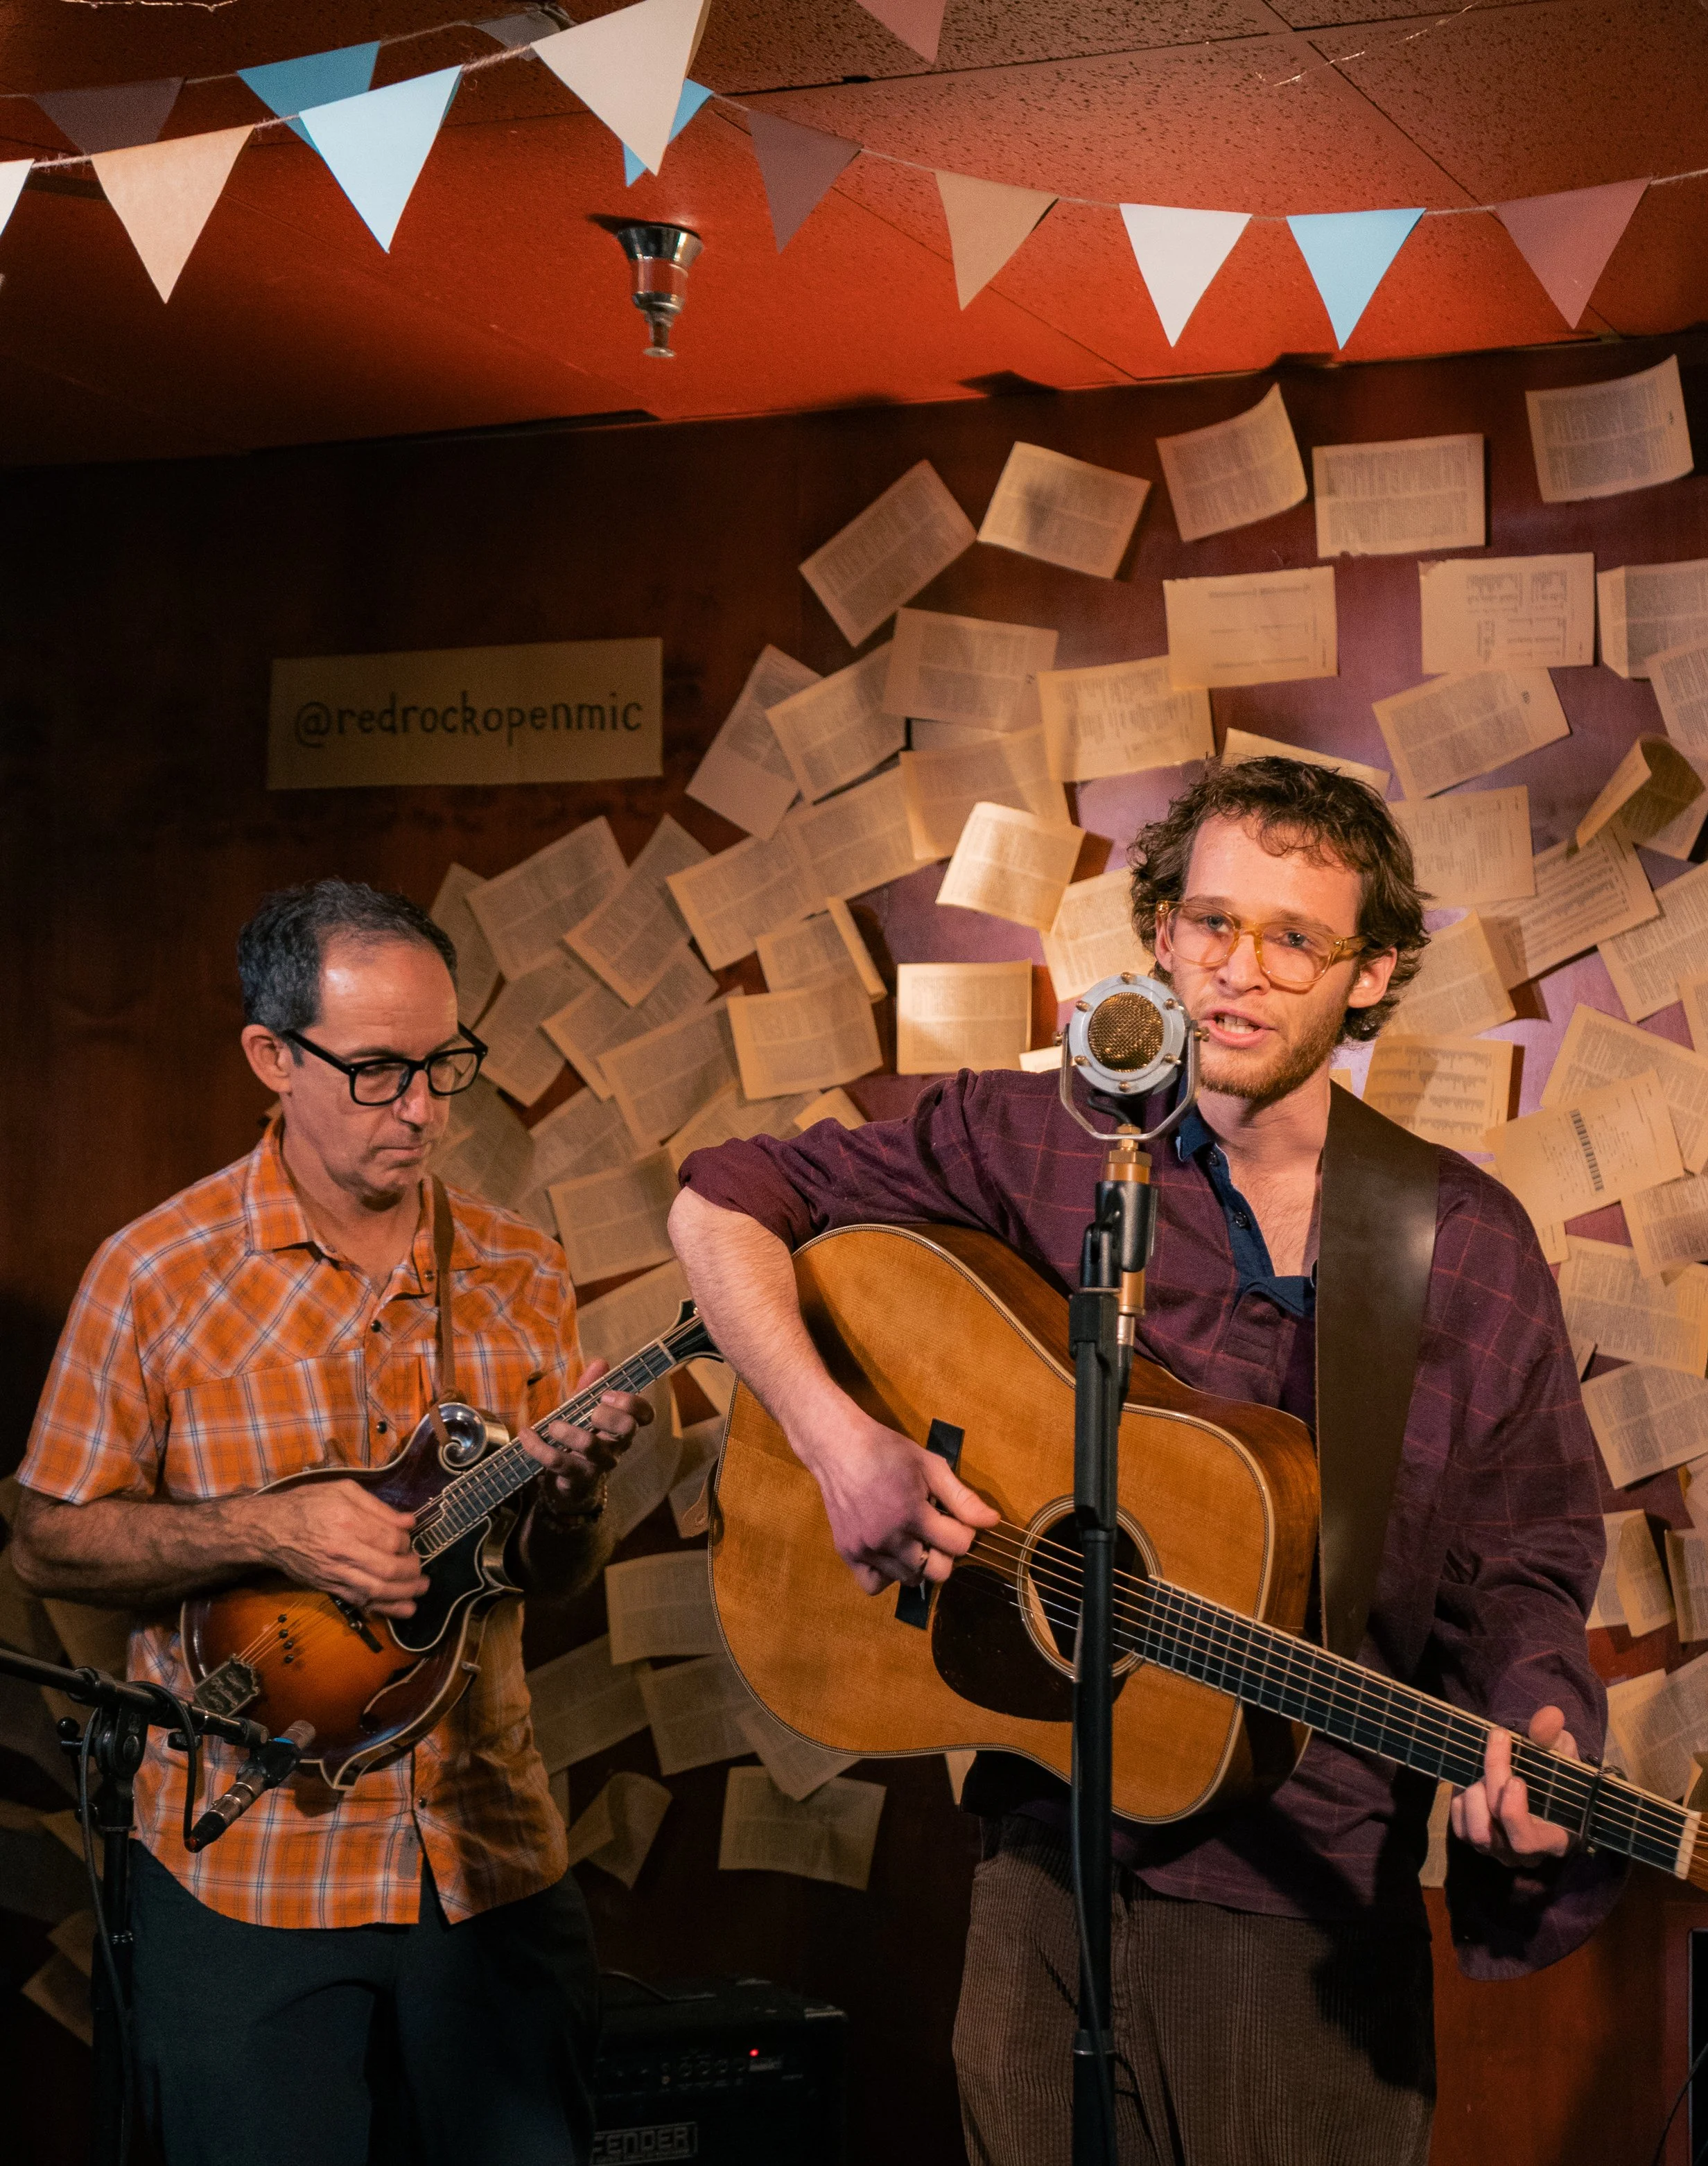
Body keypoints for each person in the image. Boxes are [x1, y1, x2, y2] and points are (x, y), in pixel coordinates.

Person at [668, 758, 1623, 2166]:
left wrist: (1537, 1726)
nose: (1237, 971)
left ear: (1368, 974)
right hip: (1034, 1877)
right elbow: (722, 1201)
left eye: (1292, 939)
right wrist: (838, 1439)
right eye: (1209, 924)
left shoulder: (1459, 1240)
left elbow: (1526, 1552)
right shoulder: (1041, 1138)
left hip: (1298, 1904)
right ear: (1160, 935)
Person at [10, 878, 653, 2166]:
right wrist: (272, 1530)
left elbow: (554, 1584)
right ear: (272, 1055)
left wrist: (574, 1507)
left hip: (492, 1860)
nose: (423, 1108)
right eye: (377, 1072)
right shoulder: (157, 1273)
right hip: (247, 1876)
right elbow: (49, 1539)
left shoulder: (523, 1270)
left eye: (444, 1065)